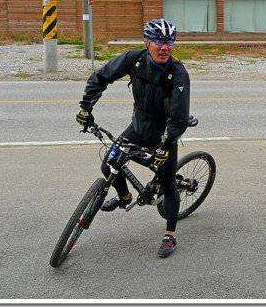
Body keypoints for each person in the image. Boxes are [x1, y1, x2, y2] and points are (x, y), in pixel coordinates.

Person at [75, 19, 190, 258]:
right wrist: (86, 108)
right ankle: (125, 196)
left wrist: (166, 145)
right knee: (109, 164)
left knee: (168, 185)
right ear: (146, 42)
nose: (165, 47)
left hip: (163, 133)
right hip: (138, 127)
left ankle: (170, 234)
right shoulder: (134, 59)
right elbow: (101, 77)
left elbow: (179, 118)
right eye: (159, 41)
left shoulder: (178, 73)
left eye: (170, 42)